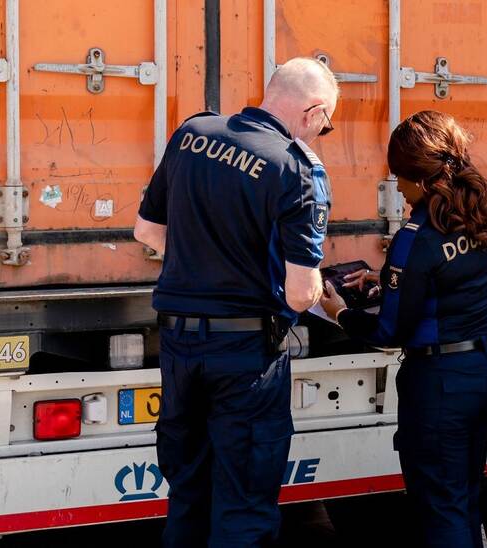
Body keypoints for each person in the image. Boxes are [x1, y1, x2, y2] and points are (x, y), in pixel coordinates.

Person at [132, 57, 337, 547]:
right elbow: (301, 292)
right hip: (246, 357)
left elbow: (145, 230)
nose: (319, 135)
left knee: (188, 493)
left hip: (179, 347)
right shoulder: (297, 168)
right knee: (244, 503)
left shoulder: (192, 134)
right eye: (325, 125)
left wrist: (208, 261)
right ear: (312, 111)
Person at [319, 110, 487, 547]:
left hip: (440, 386)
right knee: (461, 498)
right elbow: (447, 282)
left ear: (421, 180)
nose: (397, 189)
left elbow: (390, 333)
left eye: (400, 178)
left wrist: (339, 312)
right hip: (485, 367)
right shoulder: (476, 216)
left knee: (439, 508)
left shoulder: (414, 236)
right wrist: (387, 281)